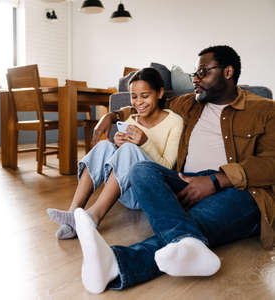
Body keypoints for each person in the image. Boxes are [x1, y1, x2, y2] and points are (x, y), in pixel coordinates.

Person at [73, 45, 275, 294]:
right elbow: (147, 104)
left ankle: (114, 265)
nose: (196, 80)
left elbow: (271, 163)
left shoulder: (265, 109)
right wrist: (111, 116)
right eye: (195, 74)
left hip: (238, 190)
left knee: (192, 226)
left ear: (228, 72)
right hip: (183, 182)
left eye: (202, 72)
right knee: (141, 170)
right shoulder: (188, 103)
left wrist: (216, 181)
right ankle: (185, 242)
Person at [47, 68, 184, 239]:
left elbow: (167, 167)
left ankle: (94, 216)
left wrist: (144, 143)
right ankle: (73, 214)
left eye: (145, 95)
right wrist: (117, 145)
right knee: (105, 146)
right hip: (126, 191)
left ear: (160, 93)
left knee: (129, 149)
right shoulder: (130, 120)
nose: (138, 102)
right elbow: (120, 166)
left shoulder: (174, 122)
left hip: (149, 191)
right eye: (134, 97)